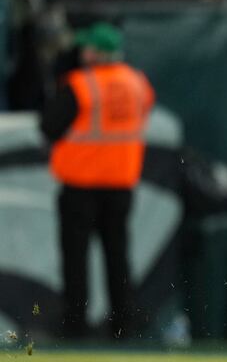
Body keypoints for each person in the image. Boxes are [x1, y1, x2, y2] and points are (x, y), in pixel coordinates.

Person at [39, 22, 155, 338]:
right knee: (117, 256)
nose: (82, 52)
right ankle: (123, 324)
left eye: (87, 48)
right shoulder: (137, 83)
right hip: (120, 184)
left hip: (81, 184)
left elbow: (50, 126)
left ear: (96, 52)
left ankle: (75, 325)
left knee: (76, 259)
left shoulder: (80, 85)